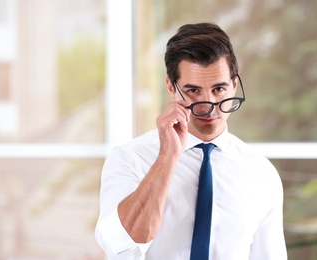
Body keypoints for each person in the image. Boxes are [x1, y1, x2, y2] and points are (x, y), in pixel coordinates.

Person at [95, 22, 287, 260]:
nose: (208, 107)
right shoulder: (129, 159)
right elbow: (122, 244)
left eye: (219, 89)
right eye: (194, 91)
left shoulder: (260, 172)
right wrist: (168, 155)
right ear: (171, 87)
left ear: (235, 84)